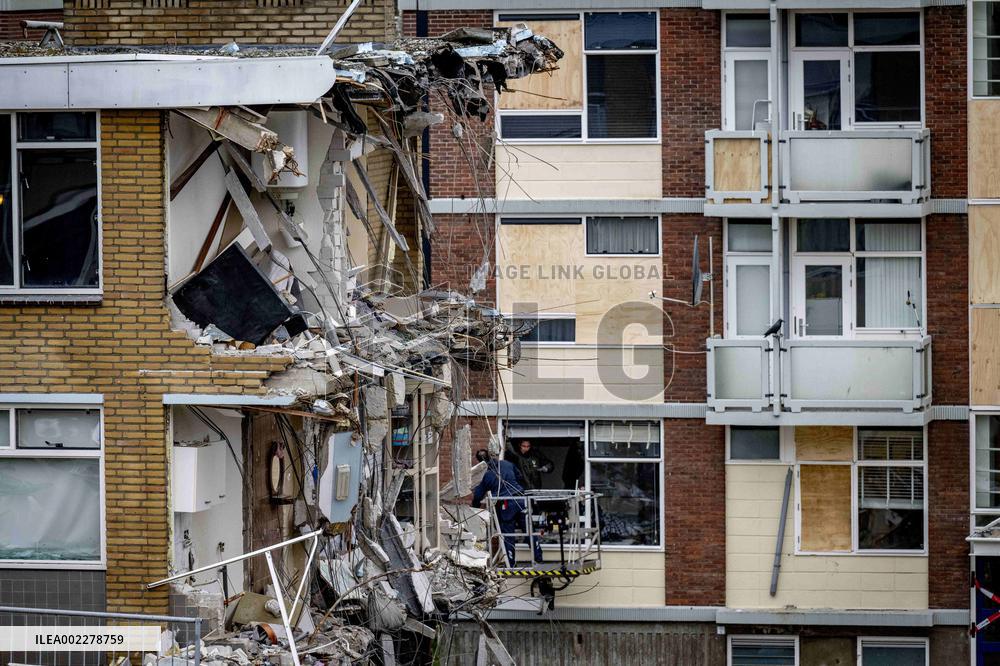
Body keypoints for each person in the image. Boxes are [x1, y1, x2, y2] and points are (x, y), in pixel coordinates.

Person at [471, 449, 541, 565]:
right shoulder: (507, 464)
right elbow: (520, 477)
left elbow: (478, 495)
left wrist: (475, 507)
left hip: (506, 505)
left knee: (508, 534)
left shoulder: (484, 474)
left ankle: (511, 563)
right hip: (521, 499)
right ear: (490, 455)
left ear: (479, 462)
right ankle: (538, 558)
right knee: (529, 530)